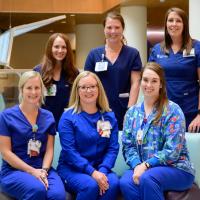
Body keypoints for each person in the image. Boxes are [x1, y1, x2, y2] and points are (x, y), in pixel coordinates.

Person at [120, 62, 195, 200]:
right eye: (145, 80)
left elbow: (172, 150)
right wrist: (137, 165)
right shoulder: (132, 113)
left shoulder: (173, 110)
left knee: (148, 178)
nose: (149, 85)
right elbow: (128, 146)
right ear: (140, 81)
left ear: (161, 84)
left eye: (154, 81)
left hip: (177, 168)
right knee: (125, 182)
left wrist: (147, 165)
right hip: (143, 167)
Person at [0, 71, 66, 200]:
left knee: (57, 195)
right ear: (21, 90)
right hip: (14, 171)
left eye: (37, 88)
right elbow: (5, 152)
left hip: (42, 168)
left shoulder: (48, 116)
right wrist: (32, 171)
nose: (33, 92)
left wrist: (44, 171)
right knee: (37, 189)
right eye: (29, 88)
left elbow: (49, 149)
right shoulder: (6, 116)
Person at [57, 71, 119, 200]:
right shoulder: (68, 117)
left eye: (92, 86)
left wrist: (102, 171)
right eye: (83, 87)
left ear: (98, 88)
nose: (88, 90)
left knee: (112, 183)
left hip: (100, 167)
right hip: (72, 169)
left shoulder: (109, 116)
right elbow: (70, 152)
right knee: (90, 185)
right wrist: (92, 173)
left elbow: (112, 148)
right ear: (77, 90)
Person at [84, 11, 142, 130]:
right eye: (109, 27)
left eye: (117, 27)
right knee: (100, 142)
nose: (113, 31)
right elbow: (86, 83)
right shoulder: (94, 54)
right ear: (104, 29)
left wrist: (130, 111)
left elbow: (135, 83)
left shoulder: (132, 54)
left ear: (122, 29)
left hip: (123, 108)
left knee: (122, 143)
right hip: (98, 109)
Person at [149, 7, 200, 132]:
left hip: (190, 113)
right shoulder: (157, 50)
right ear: (166, 24)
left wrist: (199, 115)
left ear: (184, 24)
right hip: (163, 112)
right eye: (170, 20)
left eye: (178, 21)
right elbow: (150, 83)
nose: (174, 24)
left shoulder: (196, 47)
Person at [34, 33, 79, 128]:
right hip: (43, 124)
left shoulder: (74, 73)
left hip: (68, 124)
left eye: (64, 47)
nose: (60, 50)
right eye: (56, 47)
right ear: (50, 48)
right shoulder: (38, 71)